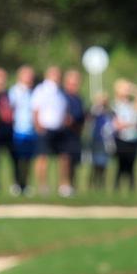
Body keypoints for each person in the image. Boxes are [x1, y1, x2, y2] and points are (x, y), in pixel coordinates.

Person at [31, 66, 68, 195]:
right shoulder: (41, 90)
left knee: (63, 158)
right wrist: (38, 125)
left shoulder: (60, 92)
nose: (57, 77)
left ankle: (63, 186)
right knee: (42, 158)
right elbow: (35, 109)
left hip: (58, 129)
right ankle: (42, 186)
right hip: (45, 129)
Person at [8, 66, 37, 194]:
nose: (30, 78)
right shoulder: (14, 91)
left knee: (28, 160)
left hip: (30, 130)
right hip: (17, 130)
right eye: (27, 75)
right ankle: (16, 183)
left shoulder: (34, 92)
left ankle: (25, 184)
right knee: (17, 159)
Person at [111, 78, 137, 192]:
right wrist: (131, 124)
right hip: (121, 138)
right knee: (121, 165)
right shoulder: (116, 104)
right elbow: (117, 124)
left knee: (131, 166)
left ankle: (131, 189)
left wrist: (132, 88)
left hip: (133, 139)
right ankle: (116, 188)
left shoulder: (132, 105)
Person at [60, 69, 86, 197]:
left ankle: (72, 185)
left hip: (76, 134)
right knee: (66, 159)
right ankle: (64, 185)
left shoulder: (79, 98)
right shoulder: (62, 97)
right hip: (65, 133)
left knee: (75, 160)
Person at [87, 93, 114, 191]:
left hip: (107, 142)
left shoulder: (109, 112)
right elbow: (91, 116)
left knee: (104, 165)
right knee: (95, 164)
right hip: (97, 140)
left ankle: (101, 185)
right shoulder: (96, 111)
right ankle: (92, 184)